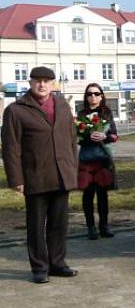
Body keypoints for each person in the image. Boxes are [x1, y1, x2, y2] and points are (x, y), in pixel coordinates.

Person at [2, 67, 79, 284]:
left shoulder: (62, 105)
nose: (42, 85)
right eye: (38, 81)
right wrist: (16, 179)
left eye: (47, 81)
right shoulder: (16, 110)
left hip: (61, 175)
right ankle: (39, 268)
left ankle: (58, 263)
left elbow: (71, 140)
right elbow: (10, 148)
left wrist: (72, 169)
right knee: (36, 226)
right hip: (35, 176)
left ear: (53, 84)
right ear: (30, 83)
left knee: (59, 224)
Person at [77, 83, 119, 240]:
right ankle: (90, 227)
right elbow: (77, 137)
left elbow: (114, 135)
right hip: (87, 159)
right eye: (89, 94)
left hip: (102, 159)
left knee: (102, 194)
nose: (93, 97)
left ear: (101, 96)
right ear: (86, 97)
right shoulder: (81, 114)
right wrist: (89, 136)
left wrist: (105, 136)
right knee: (88, 194)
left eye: (96, 94)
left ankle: (104, 226)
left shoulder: (107, 113)